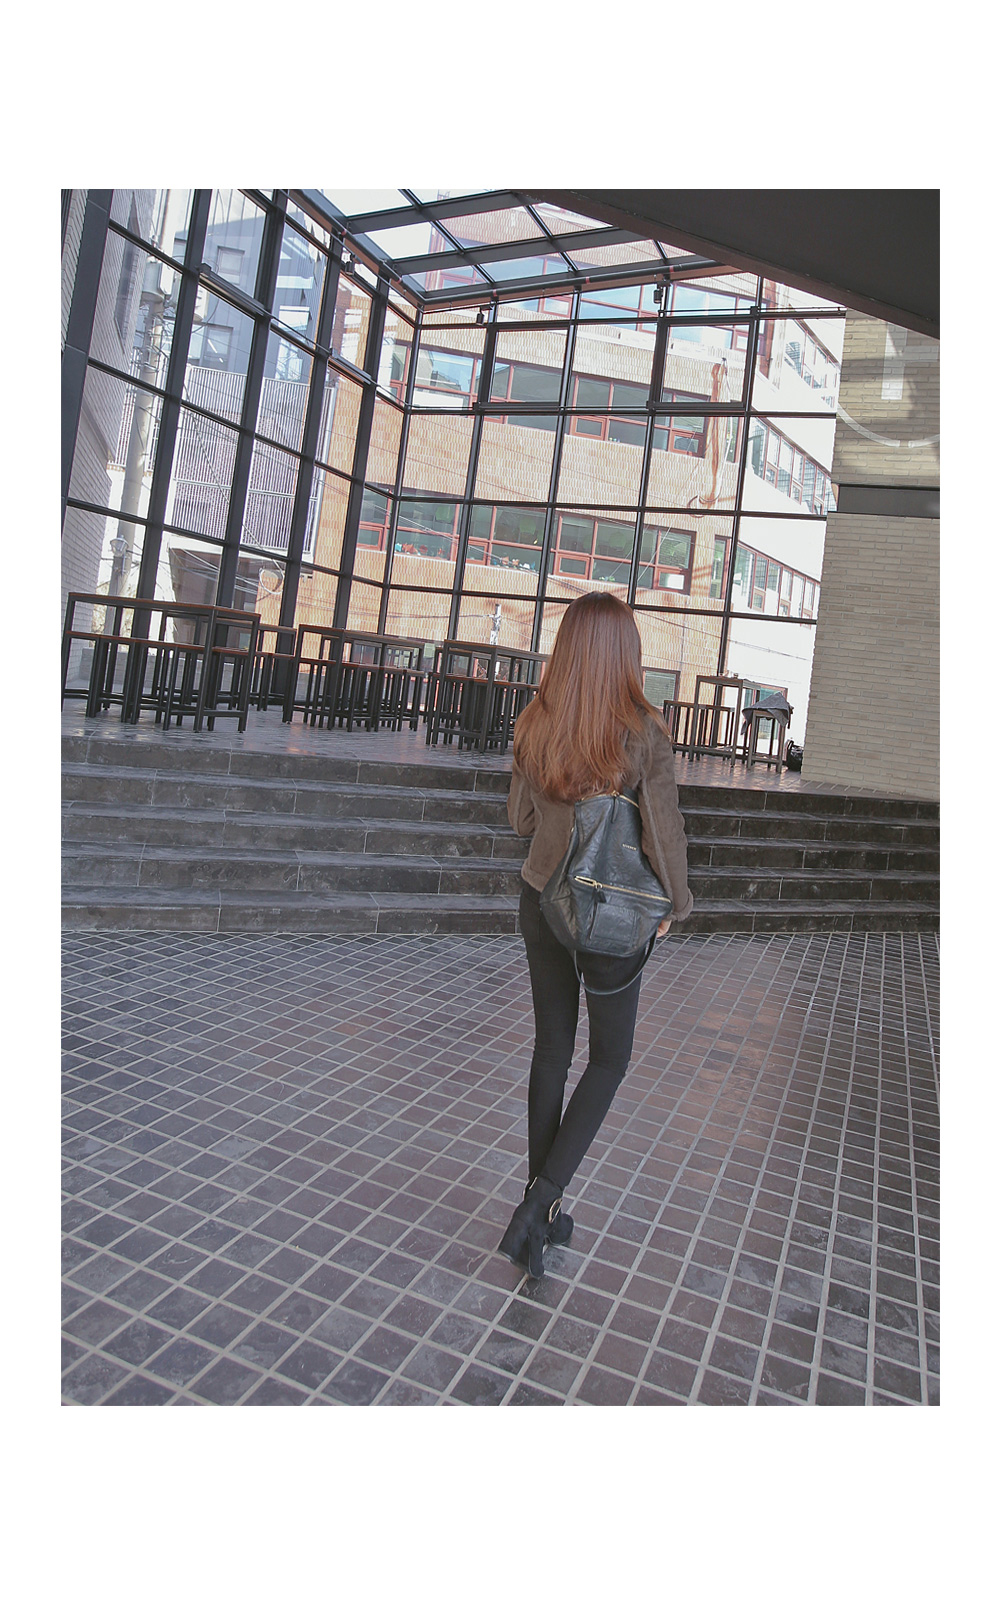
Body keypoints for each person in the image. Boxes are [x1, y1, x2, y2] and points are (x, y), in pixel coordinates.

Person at [498, 592, 693, 1278]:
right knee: (608, 1060)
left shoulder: (535, 719)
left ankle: (539, 1213)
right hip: (612, 915)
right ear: (625, 654)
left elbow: (521, 820)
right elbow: (662, 830)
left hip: (542, 900)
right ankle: (539, 1204)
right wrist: (677, 902)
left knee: (551, 1049)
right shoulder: (643, 730)